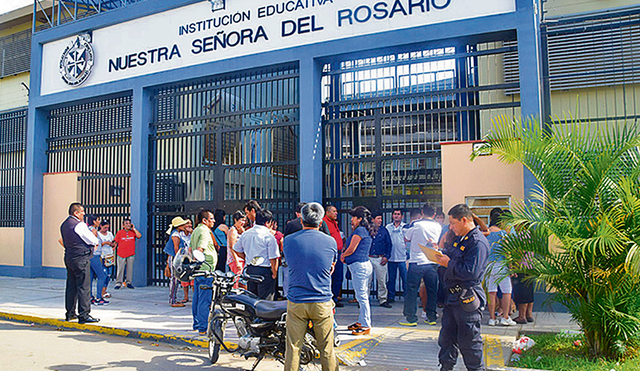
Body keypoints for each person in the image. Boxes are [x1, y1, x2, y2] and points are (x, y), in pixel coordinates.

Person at [284, 202, 339, 371]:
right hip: (321, 300)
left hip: (297, 300)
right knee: (327, 349)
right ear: (321, 222)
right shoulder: (330, 242)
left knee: (293, 348)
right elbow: (331, 267)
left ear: (301, 220)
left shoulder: (288, 241)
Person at [435, 204, 490, 371]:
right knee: (447, 339)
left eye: (453, 223)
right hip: (453, 299)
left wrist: (448, 263)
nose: (450, 227)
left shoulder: (477, 242)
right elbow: (454, 257)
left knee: (469, 342)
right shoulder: (462, 239)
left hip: (467, 298)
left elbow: (470, 272)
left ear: (464, 220)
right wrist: (441, 255)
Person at [401, 204, 442, 326]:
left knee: (412, 290)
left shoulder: (416, 224)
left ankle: (411, 318)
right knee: (432, 290)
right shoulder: (438, 226)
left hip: (416, 261)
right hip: (431, 261)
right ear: (434, 214)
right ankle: (431, 317)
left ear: (422, 212)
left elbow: (406, 237)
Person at [61, 202, 100, 324]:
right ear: (76, 213)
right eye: (82, 211)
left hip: (69, 256)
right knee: (84, 286)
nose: (84, 213)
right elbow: (92, 239)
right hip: (81, 258)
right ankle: (84, 314)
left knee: (71, 286)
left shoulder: (64, 224)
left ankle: (70, 313)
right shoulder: (79, 225)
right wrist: (95, 242)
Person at [233, 209, 280, 300]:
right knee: (265, 301)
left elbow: (236, 249)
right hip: (264, 270)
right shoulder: (269, 236)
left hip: (251, 269)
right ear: (268, 222)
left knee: (252, 299)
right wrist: (274, 273)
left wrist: (246, 257)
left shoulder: (246, 233)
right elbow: (273, 257)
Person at [341, 206, 374, 336]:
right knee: (361, 295)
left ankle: (366, 324)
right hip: (362, 265)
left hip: (359, 266)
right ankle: (361, 321)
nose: (352, 220)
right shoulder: (364, 229)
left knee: (362, 296)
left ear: (360, 218)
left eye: (353, 217)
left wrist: (343, 255)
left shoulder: (359, 230)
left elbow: (351, 248)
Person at [485, 208, 516, 326]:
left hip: (488, 265)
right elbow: (507, 251)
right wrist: (511, 266)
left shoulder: (486, 233)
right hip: (501, 265)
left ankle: (492, 318)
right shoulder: (502, 234)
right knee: (506, 291)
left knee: (491, 292)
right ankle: (505, 317)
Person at [191, 209, 217, 334]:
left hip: (199, 270)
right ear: (204, 220)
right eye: (211, 219)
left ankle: (196, 324)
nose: (214, 221)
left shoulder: (196, 230)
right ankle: (202, 327)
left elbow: (191, 248)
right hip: (206, 270)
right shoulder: (205, 231)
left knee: (197, 298)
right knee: (204, 300)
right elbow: (199, 249)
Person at [369, 211, 393, 308]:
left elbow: (389, 244)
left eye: (381, 218)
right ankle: (365, 299)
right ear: (372, 220)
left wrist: (386, 256)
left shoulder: (384, 231)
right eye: (378, 218)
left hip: (380, 258)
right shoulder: (368, 230)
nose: (380, 220)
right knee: (367, 281)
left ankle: (383, 299)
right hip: (369, 258)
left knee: (382, 280)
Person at [164, 216, 189, 307]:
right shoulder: (176, 235)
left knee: (175, 280)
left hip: (174, 258)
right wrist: (179, 260)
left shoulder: (177, 233)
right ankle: (172, 301)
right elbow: (176, 248)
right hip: (175, 259)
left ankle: (174, 299)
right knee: (174, 280)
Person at [323, 205, 344, 307]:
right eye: (334, 211)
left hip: (338, 253)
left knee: (338, 277)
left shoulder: (334, 223)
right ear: (327, 212)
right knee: (330, 276)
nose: (336, 213)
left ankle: (335, 297)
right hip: (329, 254)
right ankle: (329, 298)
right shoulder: (324, 223)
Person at [114, 218, 142, 289]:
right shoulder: (120, 232)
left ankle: (129, 282)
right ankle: (118, 283)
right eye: (126, 223)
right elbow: (116, 242)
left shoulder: (133, 232)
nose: (128, 225)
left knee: (129, 269)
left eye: (129, 223)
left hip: (130, 253)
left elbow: (139, 236)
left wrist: (134, 229)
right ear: (123, 225)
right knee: (120, 269)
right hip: (121, 253)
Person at [87, 215, 109, 306]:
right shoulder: (93, 231)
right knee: (102, 275)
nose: (99, 221)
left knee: (91, 277)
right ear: (94, 221)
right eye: (98, 220)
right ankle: (99, 297)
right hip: (95, 255)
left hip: (90, 255)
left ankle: (90, 297)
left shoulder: (87, 229)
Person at [386, 208, 406, 303]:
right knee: (391, 279)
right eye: (395, 214)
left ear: (402, 216)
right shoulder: (388, 227)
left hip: (403, 257)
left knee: (405, 278)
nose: (396, 215)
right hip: (391, 257)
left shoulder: (405, 227)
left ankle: (407, 296)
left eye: (398, 214)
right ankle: (391, 296)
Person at [227, 211, 246, 288]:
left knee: (241, 280)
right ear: (235, 220)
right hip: (235, 259)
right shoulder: (233, 230)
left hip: (241, 258)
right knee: (236, 280)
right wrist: (237, 261)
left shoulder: (240, 230)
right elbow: (232, 247)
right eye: (241, 220)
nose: (243, 222)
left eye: (244, 220)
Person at [97, 219, 115, 299]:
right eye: (104, 228)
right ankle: (101, 292)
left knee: (108, 275)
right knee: (103, 274)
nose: (106, 229)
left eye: (107, 228)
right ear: (100, 226)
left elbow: (114, 243)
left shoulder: (110, 234)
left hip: (109, 256)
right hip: (102, 256)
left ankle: (104, 290)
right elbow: (96, 244)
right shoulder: (97, 234)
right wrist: (104, 243)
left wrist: (112, 245)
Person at [180, 219, 193, 302]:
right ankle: (186, 297)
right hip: (183, 258)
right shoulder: (180, 235)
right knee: (184, 279)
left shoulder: (193, 233)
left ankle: (195, 296)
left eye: (190, 223)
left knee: (192, 279)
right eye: (187, 223)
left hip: (192, 258)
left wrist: (192, 232)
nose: (189, 225)